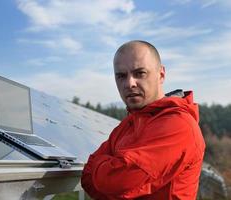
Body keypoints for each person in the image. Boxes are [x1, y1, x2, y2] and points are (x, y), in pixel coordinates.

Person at [81, 40, 205, 199]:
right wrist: (108, 175)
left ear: (161, 75)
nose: (129, 83)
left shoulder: (178, 125)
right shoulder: (128, 124)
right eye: (121, 76)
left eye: (140, 73)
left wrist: (106, 170)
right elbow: (87, 178)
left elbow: (115, 182)